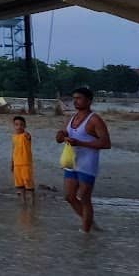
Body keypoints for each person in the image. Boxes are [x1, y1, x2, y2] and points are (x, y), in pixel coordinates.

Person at [55, 86, 111, 233]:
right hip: (72, 162)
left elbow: (106, 143)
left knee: (84, 198)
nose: (75, 101)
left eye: (79, 98)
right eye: (74, 98)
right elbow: (62, 135)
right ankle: (90, 223)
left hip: (87, 164)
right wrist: (60, 135)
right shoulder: (72, 118)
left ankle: (85, 233)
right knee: (69, 196)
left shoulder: (95, 120)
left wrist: (81, 143)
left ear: (89, 101)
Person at [11, 115, 35, 200]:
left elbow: (29, 137)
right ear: (14, 126)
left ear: (24, 126)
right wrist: (12, 163)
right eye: (16, 124)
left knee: (29, 184)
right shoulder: (13, 137)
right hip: (17, 164)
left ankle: (32, 201)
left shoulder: (25, 135)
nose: (19, 127)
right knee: (20, 185)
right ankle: (23, 202)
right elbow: (13, 150)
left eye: (21, 124)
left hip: (26, 164)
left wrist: (28, 135)